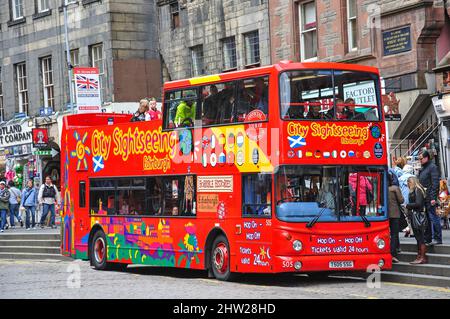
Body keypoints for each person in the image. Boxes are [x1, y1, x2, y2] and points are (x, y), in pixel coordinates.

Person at [418, 150, 442, 245]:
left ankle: (437, 238)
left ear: (426, 158)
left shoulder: (432, 167)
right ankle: (428, 238)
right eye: (419, 159)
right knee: (427, 219)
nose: (420, 160)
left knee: (433, 218)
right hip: (425, 197)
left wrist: (433, 198)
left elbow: (435, 183)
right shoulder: (424, 168)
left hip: (430, 197)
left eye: (421, 158)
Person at [406, 176, 428, 264]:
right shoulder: (416, 190)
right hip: (415, 215)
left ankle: (422, 257)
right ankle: (420, 256)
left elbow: (418, 203)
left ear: (413, 182)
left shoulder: (417, 190)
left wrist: (408, 205)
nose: (408, 184)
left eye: (409, 183)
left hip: (418, 215)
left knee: (420, 237)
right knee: (418, 237)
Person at [388, 173, 404, 263]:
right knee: (394, 234)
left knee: (389, 234)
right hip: (395, 214)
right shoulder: (395, 189)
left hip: (385, 215)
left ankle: (396, 248)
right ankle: (393, 253)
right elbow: (401, 200)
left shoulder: (382, 189)